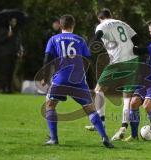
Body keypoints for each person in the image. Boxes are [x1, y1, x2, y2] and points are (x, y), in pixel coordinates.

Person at [41, 14, 114, 148]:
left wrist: (45, 78)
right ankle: (105, 137)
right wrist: (91, 85)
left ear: (60, 26)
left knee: (50, 105)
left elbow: (47, 59)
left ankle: (53, 138)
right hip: (78, 80)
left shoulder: (54, 39)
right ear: (73, 26)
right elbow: (88, 63)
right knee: (91, 110)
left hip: (61, 79)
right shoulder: (80, 40)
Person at [84, 8, 141, 141]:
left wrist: (88, 49)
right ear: (111, 15)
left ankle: (101, 121)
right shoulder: (123, 23)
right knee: (127, 96)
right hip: (133, 60)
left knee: (99, 90)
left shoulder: (102, 25)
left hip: (117, 61)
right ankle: (123, 126)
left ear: (100, 18)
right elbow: (137, 40)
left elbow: (97, 37)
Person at [124, 18, 151, 142]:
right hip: (145, 81)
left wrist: (127, 45)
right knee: (133, 103)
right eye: (150, 32)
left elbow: (139, 51)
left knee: (147, 106)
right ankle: (133, 136)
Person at [0, 17, 23, 93]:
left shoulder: (16, 31)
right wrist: (7, 36)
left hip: (13, 54)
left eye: (15, 21)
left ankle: (9, 88)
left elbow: (18, 42)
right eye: (13, 21)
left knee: (11, 72)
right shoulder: (4, 30)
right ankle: (3, 88)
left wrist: (19, 51)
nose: (14, 23)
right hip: (5, 54)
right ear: (9, 22)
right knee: (5, 71)